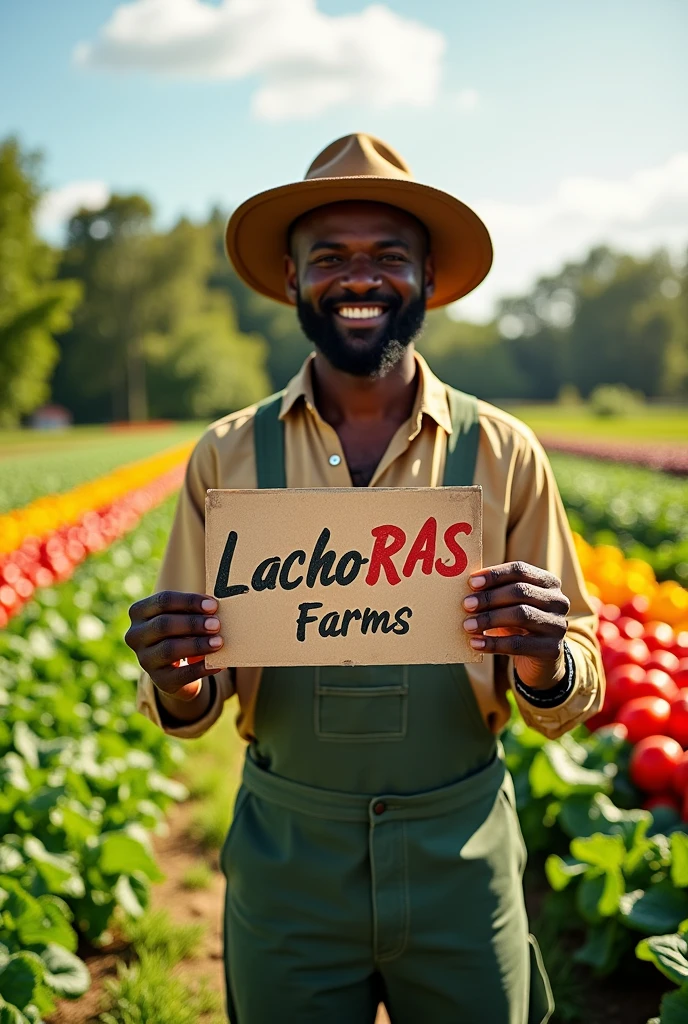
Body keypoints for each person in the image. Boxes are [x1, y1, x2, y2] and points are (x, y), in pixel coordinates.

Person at [127, 133, 604, 1024]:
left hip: (460, 854)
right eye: (330, 257)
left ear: (427, 275)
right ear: (291, 276)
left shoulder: (502, 453)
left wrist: (544, 659)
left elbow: (574, 675)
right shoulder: (227, 457)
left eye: (388, 255)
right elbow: (191, 702)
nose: (360, 278)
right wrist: (179, 675)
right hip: (289, 862)